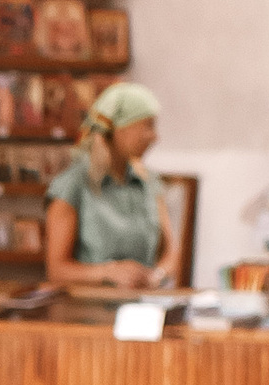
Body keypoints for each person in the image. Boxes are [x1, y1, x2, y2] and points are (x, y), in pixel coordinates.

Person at [44, 81, 177, 292]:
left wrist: (156, 275)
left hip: (142, 309)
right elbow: (57, 270)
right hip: (88, 314)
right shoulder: (73, 185)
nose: (154, 137)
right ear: (119, 128)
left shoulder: (149, 182)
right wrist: (109, 272)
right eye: (148, 126)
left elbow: (171, 254)